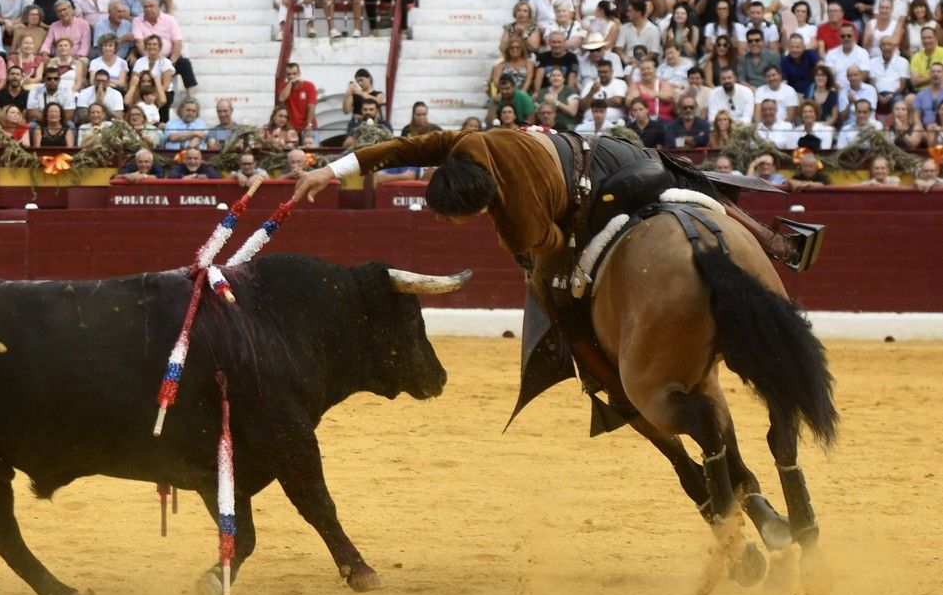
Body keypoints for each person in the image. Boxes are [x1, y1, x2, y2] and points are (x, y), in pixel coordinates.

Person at [291, 127, 819, 429]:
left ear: (478, 206)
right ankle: (777, 244)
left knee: (553, 292)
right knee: (689, 185)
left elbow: (550, 245)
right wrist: (330, 170)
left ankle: (604, 376)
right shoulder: (472, 144)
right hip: (614, 150)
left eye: (450, 217)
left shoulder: (514, 224)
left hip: (589, 198)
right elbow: (402, 147)